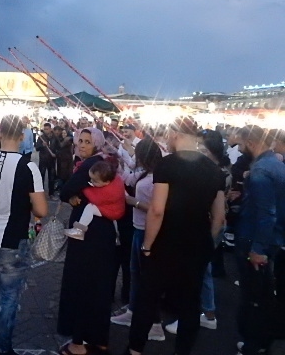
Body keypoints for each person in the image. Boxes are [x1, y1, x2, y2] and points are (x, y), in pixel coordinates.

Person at [125, 117, 226, 355]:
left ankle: (135, 349)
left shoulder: (167, 165)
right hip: (198, 242)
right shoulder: (214, 169)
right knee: (190, 303)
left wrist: (147, 245)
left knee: (147, 297)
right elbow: (219, 217)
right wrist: (208, 240)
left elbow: (157, 210)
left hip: (166, 242)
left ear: (175, 134)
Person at [0, 115, 48, 355]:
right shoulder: (28, 166)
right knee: (8, 297)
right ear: (22, 135)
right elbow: (41, 210)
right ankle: (2, 347)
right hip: (11, 239)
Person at [164, 128, 231, 335]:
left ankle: (203, 316)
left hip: (207, 227)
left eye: (203, 147)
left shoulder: (215, 173)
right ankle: (203, 315)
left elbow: (218, 214)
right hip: (207, 227)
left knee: (199, 275)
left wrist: (208, 242)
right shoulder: (217, 171)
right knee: (200, 273)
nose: (199, 151)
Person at [58, 128, 118, 355]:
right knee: (99, 286)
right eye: (79, 140)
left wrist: (73, 194)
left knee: (81, 285)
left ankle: (78, 343)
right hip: (103, 234)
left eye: (87, 141)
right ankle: (99, 339)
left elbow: (65, 190)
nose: (82, 145)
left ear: (97, 144)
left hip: (88, 236)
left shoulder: (89, 165)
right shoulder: (106, 161)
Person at [231, 125, 285, 355]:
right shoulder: (276, 164)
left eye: (242, 145)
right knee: (263, 296)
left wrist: (258, 248)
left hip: (255, 238)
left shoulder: (262, 170)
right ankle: (261, 342)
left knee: (254, 297)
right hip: (271, 237)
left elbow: (266, 212)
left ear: (251, 142)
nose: (241, 150)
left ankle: (253, 345)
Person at [110, 137, 166, 342]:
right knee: (135, 273)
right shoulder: (145, 174)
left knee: (147, 279)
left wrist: (134, 202)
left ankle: (155, 324)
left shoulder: (156, 178)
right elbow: (128, 177)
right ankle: (132, 311)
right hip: (137, 228)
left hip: (147, 231)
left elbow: (157, 209)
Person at [64, 160, 125, 241]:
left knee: (90, 208)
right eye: (91, 178)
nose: (91, 182)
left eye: (95, 181)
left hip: (112, 211)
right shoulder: (116, 180)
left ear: (107, 182)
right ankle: (117, 236)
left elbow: (95, 199)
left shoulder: (110, 191)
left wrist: (84, 188)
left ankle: (79, 230)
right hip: (117, 210)